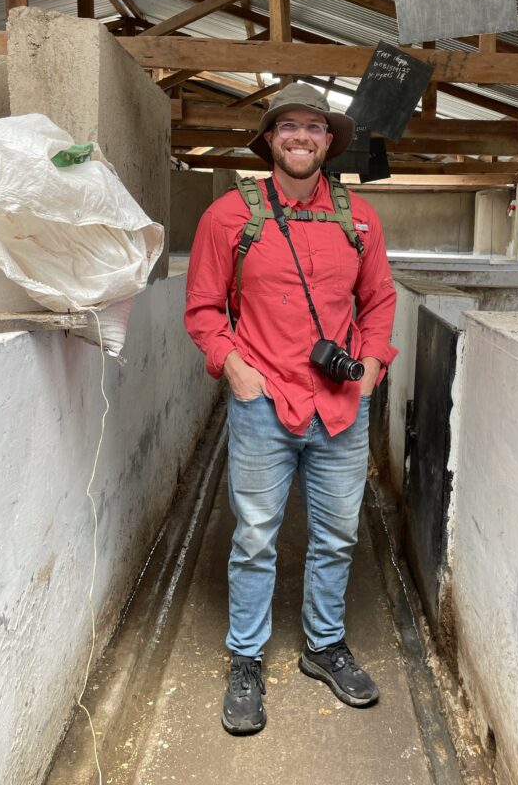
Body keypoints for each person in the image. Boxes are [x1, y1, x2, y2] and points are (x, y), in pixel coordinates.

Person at [185, 82, 398, 735]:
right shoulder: (228, 217)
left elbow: (379, 299)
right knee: (254, 540)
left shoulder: (359, 217)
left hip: (339, 409)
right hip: (263, 405)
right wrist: (236, 369)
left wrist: (370, 369)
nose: (302, 137)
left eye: (314, 127)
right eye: (289, 127)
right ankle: (247, 659)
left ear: (330, 141)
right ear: (271, 139)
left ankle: (323, 645)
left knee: (337, 536)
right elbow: (202, 309)